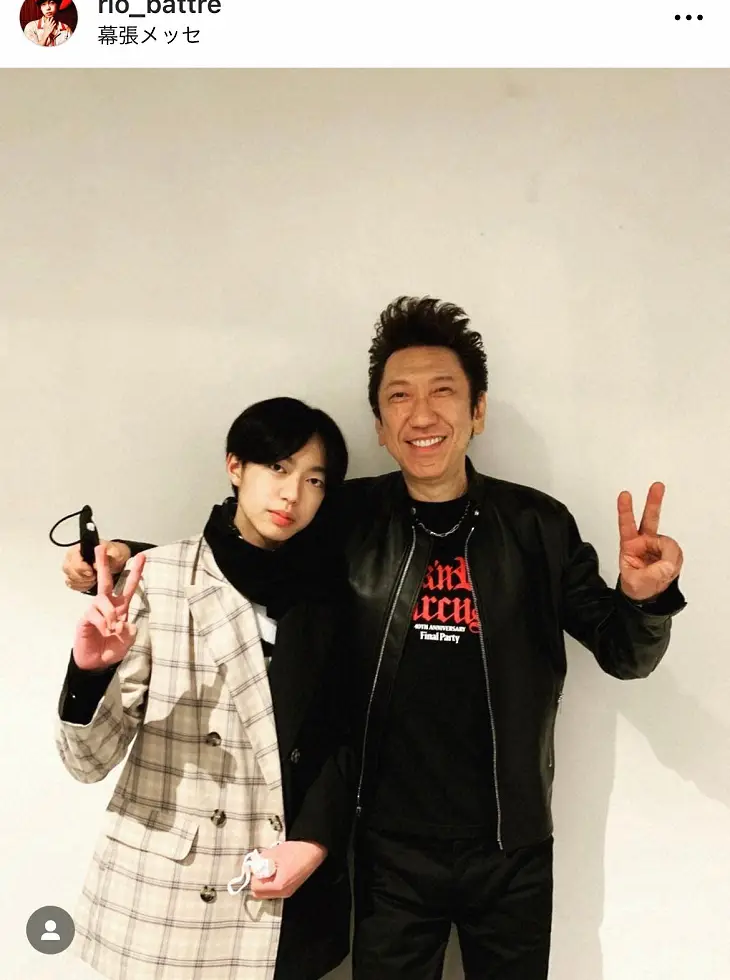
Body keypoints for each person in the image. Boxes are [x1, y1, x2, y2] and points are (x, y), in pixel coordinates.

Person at [63, 296, 686, 980]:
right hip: (387, 849)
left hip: (513, 846)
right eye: (399, 397)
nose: (422, 414)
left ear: (478, 411)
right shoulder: (348, 516)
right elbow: (249, 555)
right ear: (381, 427)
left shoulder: (538, 526)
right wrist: (126, 557)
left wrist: (644, 600)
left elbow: (624, 654)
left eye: (443, 392)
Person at [56, 397, 355, 980]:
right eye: (277, 467)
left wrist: (316, 842)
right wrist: (90, 674)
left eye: (314, 479)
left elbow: (341, 736)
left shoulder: (328, 596)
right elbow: (88, 763)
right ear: (235, 466)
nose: (292, 494)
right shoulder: (161, 579)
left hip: (280, 882)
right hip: (170, 891)